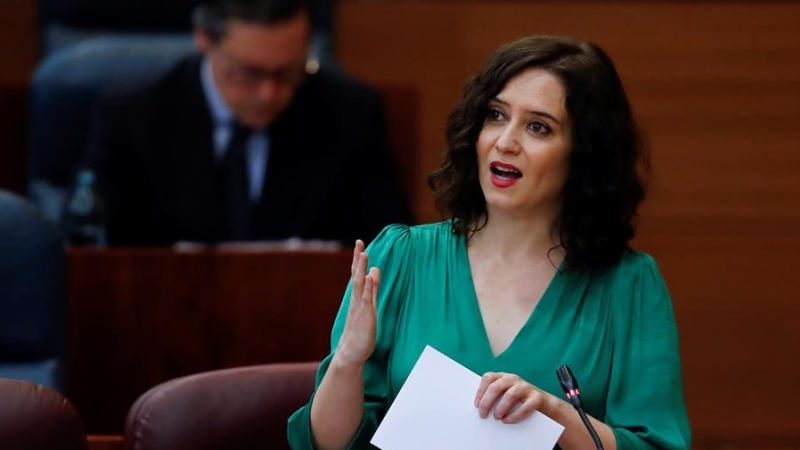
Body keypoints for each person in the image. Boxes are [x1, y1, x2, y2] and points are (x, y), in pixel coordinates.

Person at [287, 36, 691, 450]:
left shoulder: (628, 286)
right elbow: (324, 445)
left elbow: (656, 444)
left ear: (584, 153)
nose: (505, 141)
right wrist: (348, 363)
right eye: (496, 115)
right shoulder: (400, 257)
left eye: (538, 126)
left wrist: (556, 416)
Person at [86, 0, 411, 246]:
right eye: (249, 73)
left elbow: (388, 247)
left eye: (288, 71)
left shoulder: (350, 115)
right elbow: (92, 242)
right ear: (204, 40)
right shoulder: (134, 116)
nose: (269, 93)